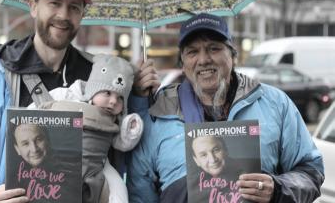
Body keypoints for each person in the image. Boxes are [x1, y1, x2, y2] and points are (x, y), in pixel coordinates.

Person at [0, 0, 159, 202]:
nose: (63, 15)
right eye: (54, 3)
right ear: (33, 6)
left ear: (82, 15)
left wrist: (139, 99)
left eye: (74, 7)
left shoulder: (97, 75)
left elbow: (124, 151)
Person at [127, 13, 324, 203]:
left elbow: (311, 172)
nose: (203, 59)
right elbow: (139, 192)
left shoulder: (275, 103)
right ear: (183, 62)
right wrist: (137, 98)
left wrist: (278, 189)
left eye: (213, 48)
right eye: (193, 51)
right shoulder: (158, 114)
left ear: (232, 55)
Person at [34, 54, 143, 203]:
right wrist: (31, 115)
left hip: (99, 163)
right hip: (62, 158)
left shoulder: (114, 119)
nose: (112, 101)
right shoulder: (71, 96)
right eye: (107, 93)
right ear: (93, 89)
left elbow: (121, 143)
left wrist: (131, 128)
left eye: (120, 98)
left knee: (119, 190)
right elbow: (46, 104)